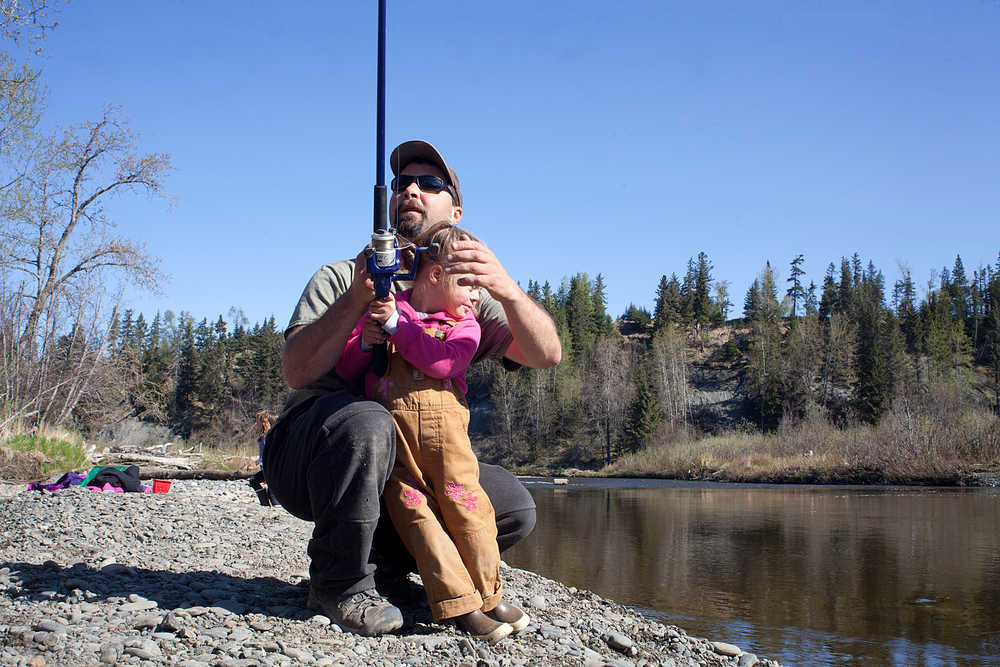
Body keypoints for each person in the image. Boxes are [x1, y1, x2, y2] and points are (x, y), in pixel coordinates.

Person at [262, 140, 561, 636]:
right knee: (370, 423)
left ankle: (393, 570)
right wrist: (360, 296)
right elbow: (297, 371)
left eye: (430, 183)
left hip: (410, 464)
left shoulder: (466, 296)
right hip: (313, 456)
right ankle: (339, 584)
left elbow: (546, 353)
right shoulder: (342, 276)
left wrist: (505, 287)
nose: (411, 191)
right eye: (401, 183)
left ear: (455, 209)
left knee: (510, 505)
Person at [336, 222, 529, 643]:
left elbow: (442, 364)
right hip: (397, 444)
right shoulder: (389, 309)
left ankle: (489, 592)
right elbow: (349, 369)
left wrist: (394, 330)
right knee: (414, 514)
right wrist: (367, 341)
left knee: (469, 508)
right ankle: (459, 603)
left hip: (448, 443)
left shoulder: (466, 325)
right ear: (436, 275)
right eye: (471, 285)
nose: (479, 296)